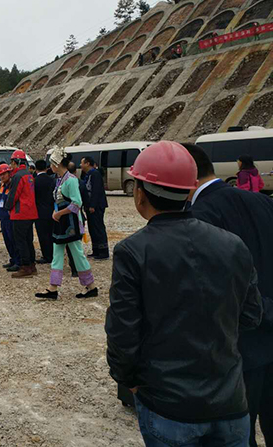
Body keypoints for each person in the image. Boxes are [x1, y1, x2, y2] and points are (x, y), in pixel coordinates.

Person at [105, 141, 262, 446]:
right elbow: (251, 315)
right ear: (189, 191)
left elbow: (123, 331)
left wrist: (128, 380)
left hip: (168, 406)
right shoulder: (232, 244)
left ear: (140, 193)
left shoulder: (133, 251)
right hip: (229, 402)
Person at [184, 143, 273, 446]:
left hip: (238, 349)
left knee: (239, 435)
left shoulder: (198, 217)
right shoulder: (261, 201)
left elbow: (210, 294)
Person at [36, 148, 95, 298]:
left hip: (70, 224)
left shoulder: (71, 181)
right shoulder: (59, 180)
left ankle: (90, 285)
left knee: (77, 254)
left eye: (52, 164)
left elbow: (77, 203)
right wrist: (55, 213)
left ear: (57, 165)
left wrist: (59, 213)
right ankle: (53, 287)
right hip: (61, 223)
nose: (51, 167)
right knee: (57, 254)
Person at [6, 150, 38, 278]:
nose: (11, 165)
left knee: (20, 241)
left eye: (12, 162)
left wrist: (8, 207)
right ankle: (32, 265)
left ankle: (25, 266)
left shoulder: (18, 176)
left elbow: (14, 195)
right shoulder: (29, 175)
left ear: (16, 162)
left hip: (20, 213)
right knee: (28, 240)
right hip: (30, 212)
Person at [80, 156, 109, 260]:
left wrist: (92, 205)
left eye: (82, 163)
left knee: (98, 228)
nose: (81, 165)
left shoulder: (95, 174)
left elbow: (96, 191)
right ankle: (96, 249)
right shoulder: (89, 174)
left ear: (87, 163)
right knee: (92, 228)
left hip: (96, 206)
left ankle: (103, 251)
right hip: (89, 206)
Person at [0, 164, 19, 272]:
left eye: (4, 174)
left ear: (9, 173)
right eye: (0, 175)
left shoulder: (12, 186)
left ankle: (18, 261)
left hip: (10, 218)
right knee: (7, 240)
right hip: (3, 218)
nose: (2, 176)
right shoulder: (1, 186)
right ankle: (12, 259)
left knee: (13, 239)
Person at [33, 161, 55, 265]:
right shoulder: (52, 180)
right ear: (46, 168)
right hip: (52, 210)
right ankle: (54, 253)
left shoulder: (35, 181)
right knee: (52, 234)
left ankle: (47, 256)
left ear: (36, 169)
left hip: (39, 212)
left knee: (43, 235)